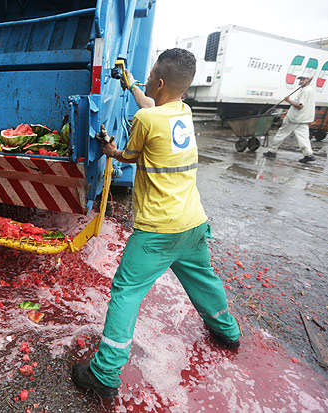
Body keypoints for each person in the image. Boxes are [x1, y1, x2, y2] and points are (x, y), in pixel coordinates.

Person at [71, 48, 241, 398]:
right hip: (193, 223)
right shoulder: (184, 112)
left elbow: (127, 156)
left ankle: (104, 372)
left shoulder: (146, 122)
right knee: (203, 278)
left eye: (149, 78)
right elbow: (153, 106)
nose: (147, 82)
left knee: (126, 292)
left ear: (160, 83)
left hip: (157, 232)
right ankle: (227, 330)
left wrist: (108, 148)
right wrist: (130, 81)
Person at [263, 76, 316, 163]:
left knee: (281, 133)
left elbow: (300, 106)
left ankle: (272, 151)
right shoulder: (310, 90)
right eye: (300, 80)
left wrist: (288, 101)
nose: (300, 82)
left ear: (309, 81)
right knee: (303, 137)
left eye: (303, 80)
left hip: (295, 118)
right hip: (303, 118)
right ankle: (308, 155)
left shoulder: (305, 91)